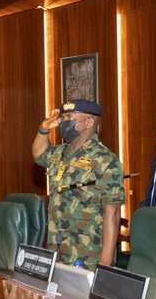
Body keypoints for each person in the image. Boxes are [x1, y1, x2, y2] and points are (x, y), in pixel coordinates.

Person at [33, 101, 124, 268]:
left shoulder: (104, 159)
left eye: (69, 117)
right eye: (63, 117)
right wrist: (43, 129)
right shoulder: (60, 152)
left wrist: (105, 262)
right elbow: (39, 153)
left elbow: (113, 213)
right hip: (57, 245)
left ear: (89, 122)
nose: (63, 122)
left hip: (87, 251)